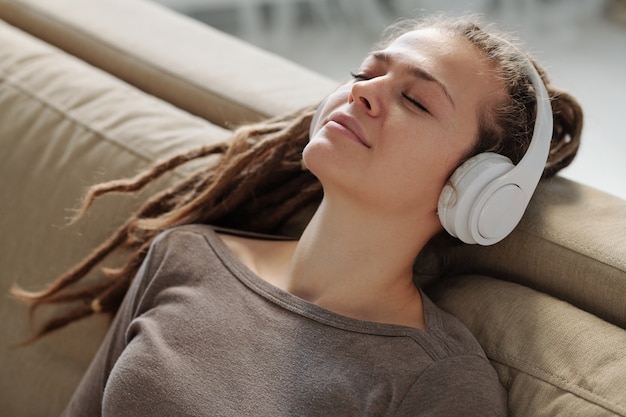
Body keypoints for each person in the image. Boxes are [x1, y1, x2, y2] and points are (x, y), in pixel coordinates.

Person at [14, 14, 582, 416]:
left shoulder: (435, 382)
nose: (363, 93)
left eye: (416, 100)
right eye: (366, 73)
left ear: (476, 189)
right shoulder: (184, 254)